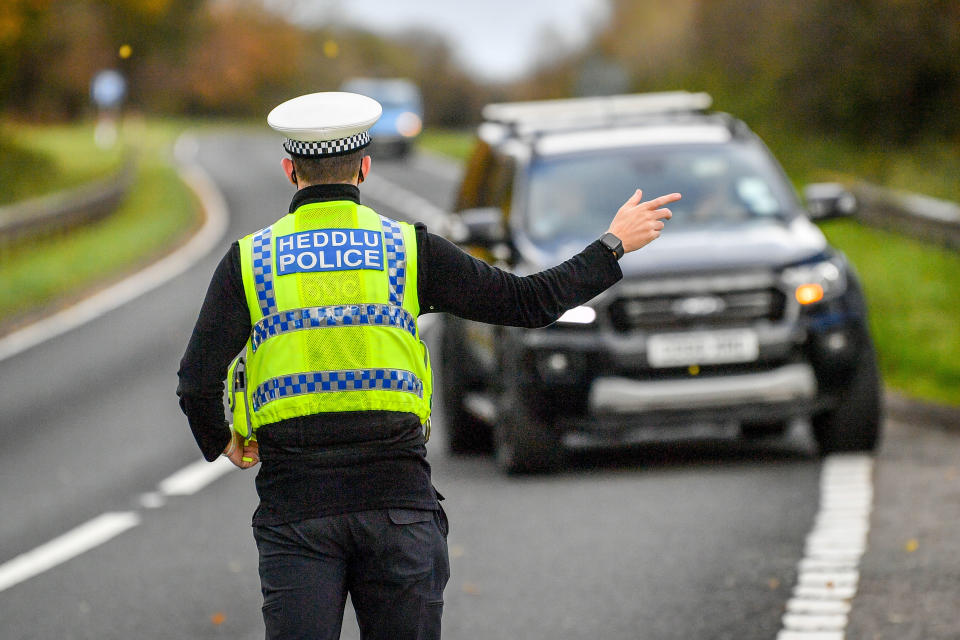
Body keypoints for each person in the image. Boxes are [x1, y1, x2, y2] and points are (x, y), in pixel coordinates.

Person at [177, 91, 680, 640]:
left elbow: (196, 382)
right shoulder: (407, 251)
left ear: (289, 170)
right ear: (364, 168)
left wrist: (223, 439)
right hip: (397, 507)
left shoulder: (250, 262)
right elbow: (527, 302)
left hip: (296, 511)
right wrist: (612, 245)